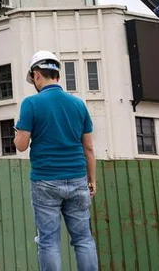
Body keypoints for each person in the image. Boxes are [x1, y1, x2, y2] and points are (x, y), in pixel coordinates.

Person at [14, 50, 98, 271]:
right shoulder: (79, 105)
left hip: (45, 180)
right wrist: (92, 180)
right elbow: (88, 146)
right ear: (58, 77)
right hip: (78, 178)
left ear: (36, 75)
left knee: (49, 242)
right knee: (83, 239)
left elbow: (21, 145)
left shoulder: (31, 104)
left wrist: (18, 130)